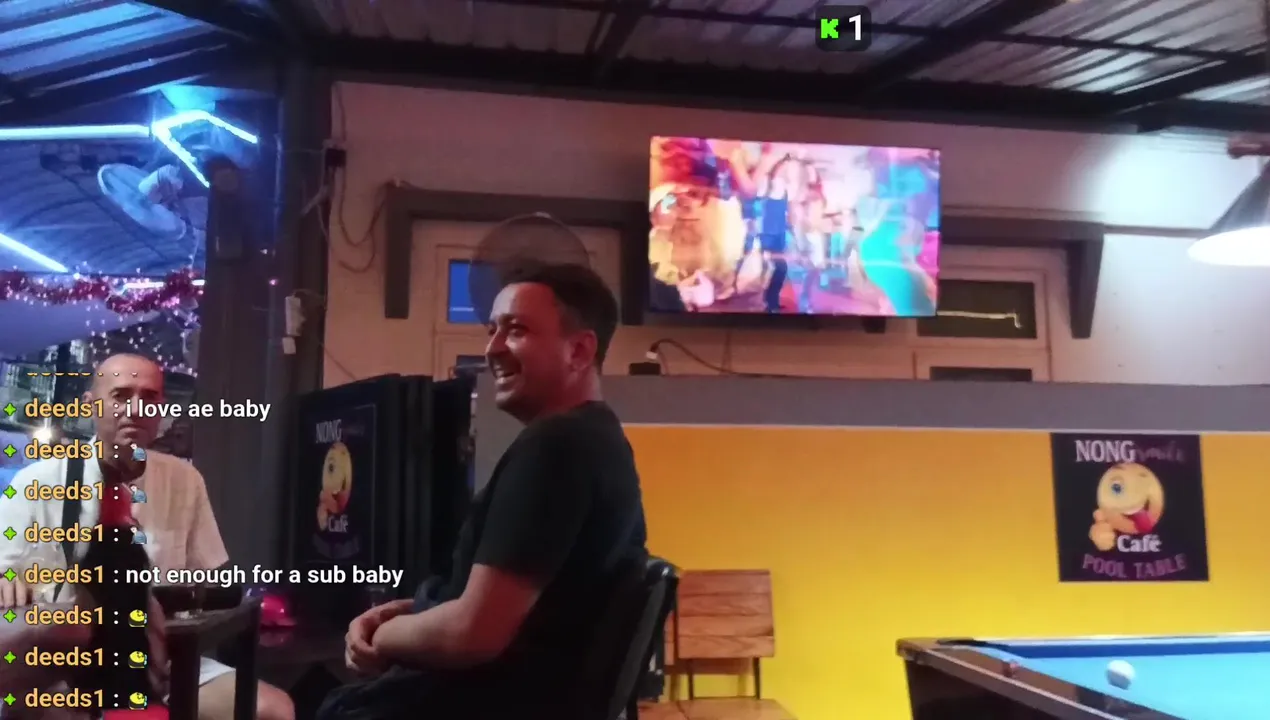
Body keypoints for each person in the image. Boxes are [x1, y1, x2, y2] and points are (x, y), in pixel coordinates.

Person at [318, 263, 648, 719]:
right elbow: (525, 609)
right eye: (492, 331)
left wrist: (379, 636)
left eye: (516, 330)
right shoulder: (597, 441)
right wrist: (404, 613)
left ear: (578, 350)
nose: (492, 349)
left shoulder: (557, 448)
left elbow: (473, 634)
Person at [0, 353, 294, 720]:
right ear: (90, 405)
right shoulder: (36, 482)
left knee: (272, 710)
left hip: (166, 659)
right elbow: (4, 572)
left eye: (149, 397)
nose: (136, 409)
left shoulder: (184, 481)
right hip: (64, 667)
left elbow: (207, 579)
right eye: (121, 395)